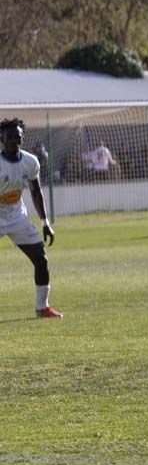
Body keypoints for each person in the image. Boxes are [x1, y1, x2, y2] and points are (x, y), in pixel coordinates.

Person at [0, 118, 62, 318]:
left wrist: (45, 223)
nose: (14, 140)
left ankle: (42, 307)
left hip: (17, 217)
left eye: (17, 136)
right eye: (9, 137)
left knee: (41, 259)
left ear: (22, 138)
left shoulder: (30, 162)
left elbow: (36, 192)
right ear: (2, 139)